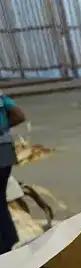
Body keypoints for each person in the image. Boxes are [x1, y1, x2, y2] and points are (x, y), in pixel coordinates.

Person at [0, 93, 25, 254]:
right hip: (5, 150)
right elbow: (19, 115)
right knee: (1, 200)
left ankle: (4, 248)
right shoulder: (1, 96)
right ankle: (10, 242)